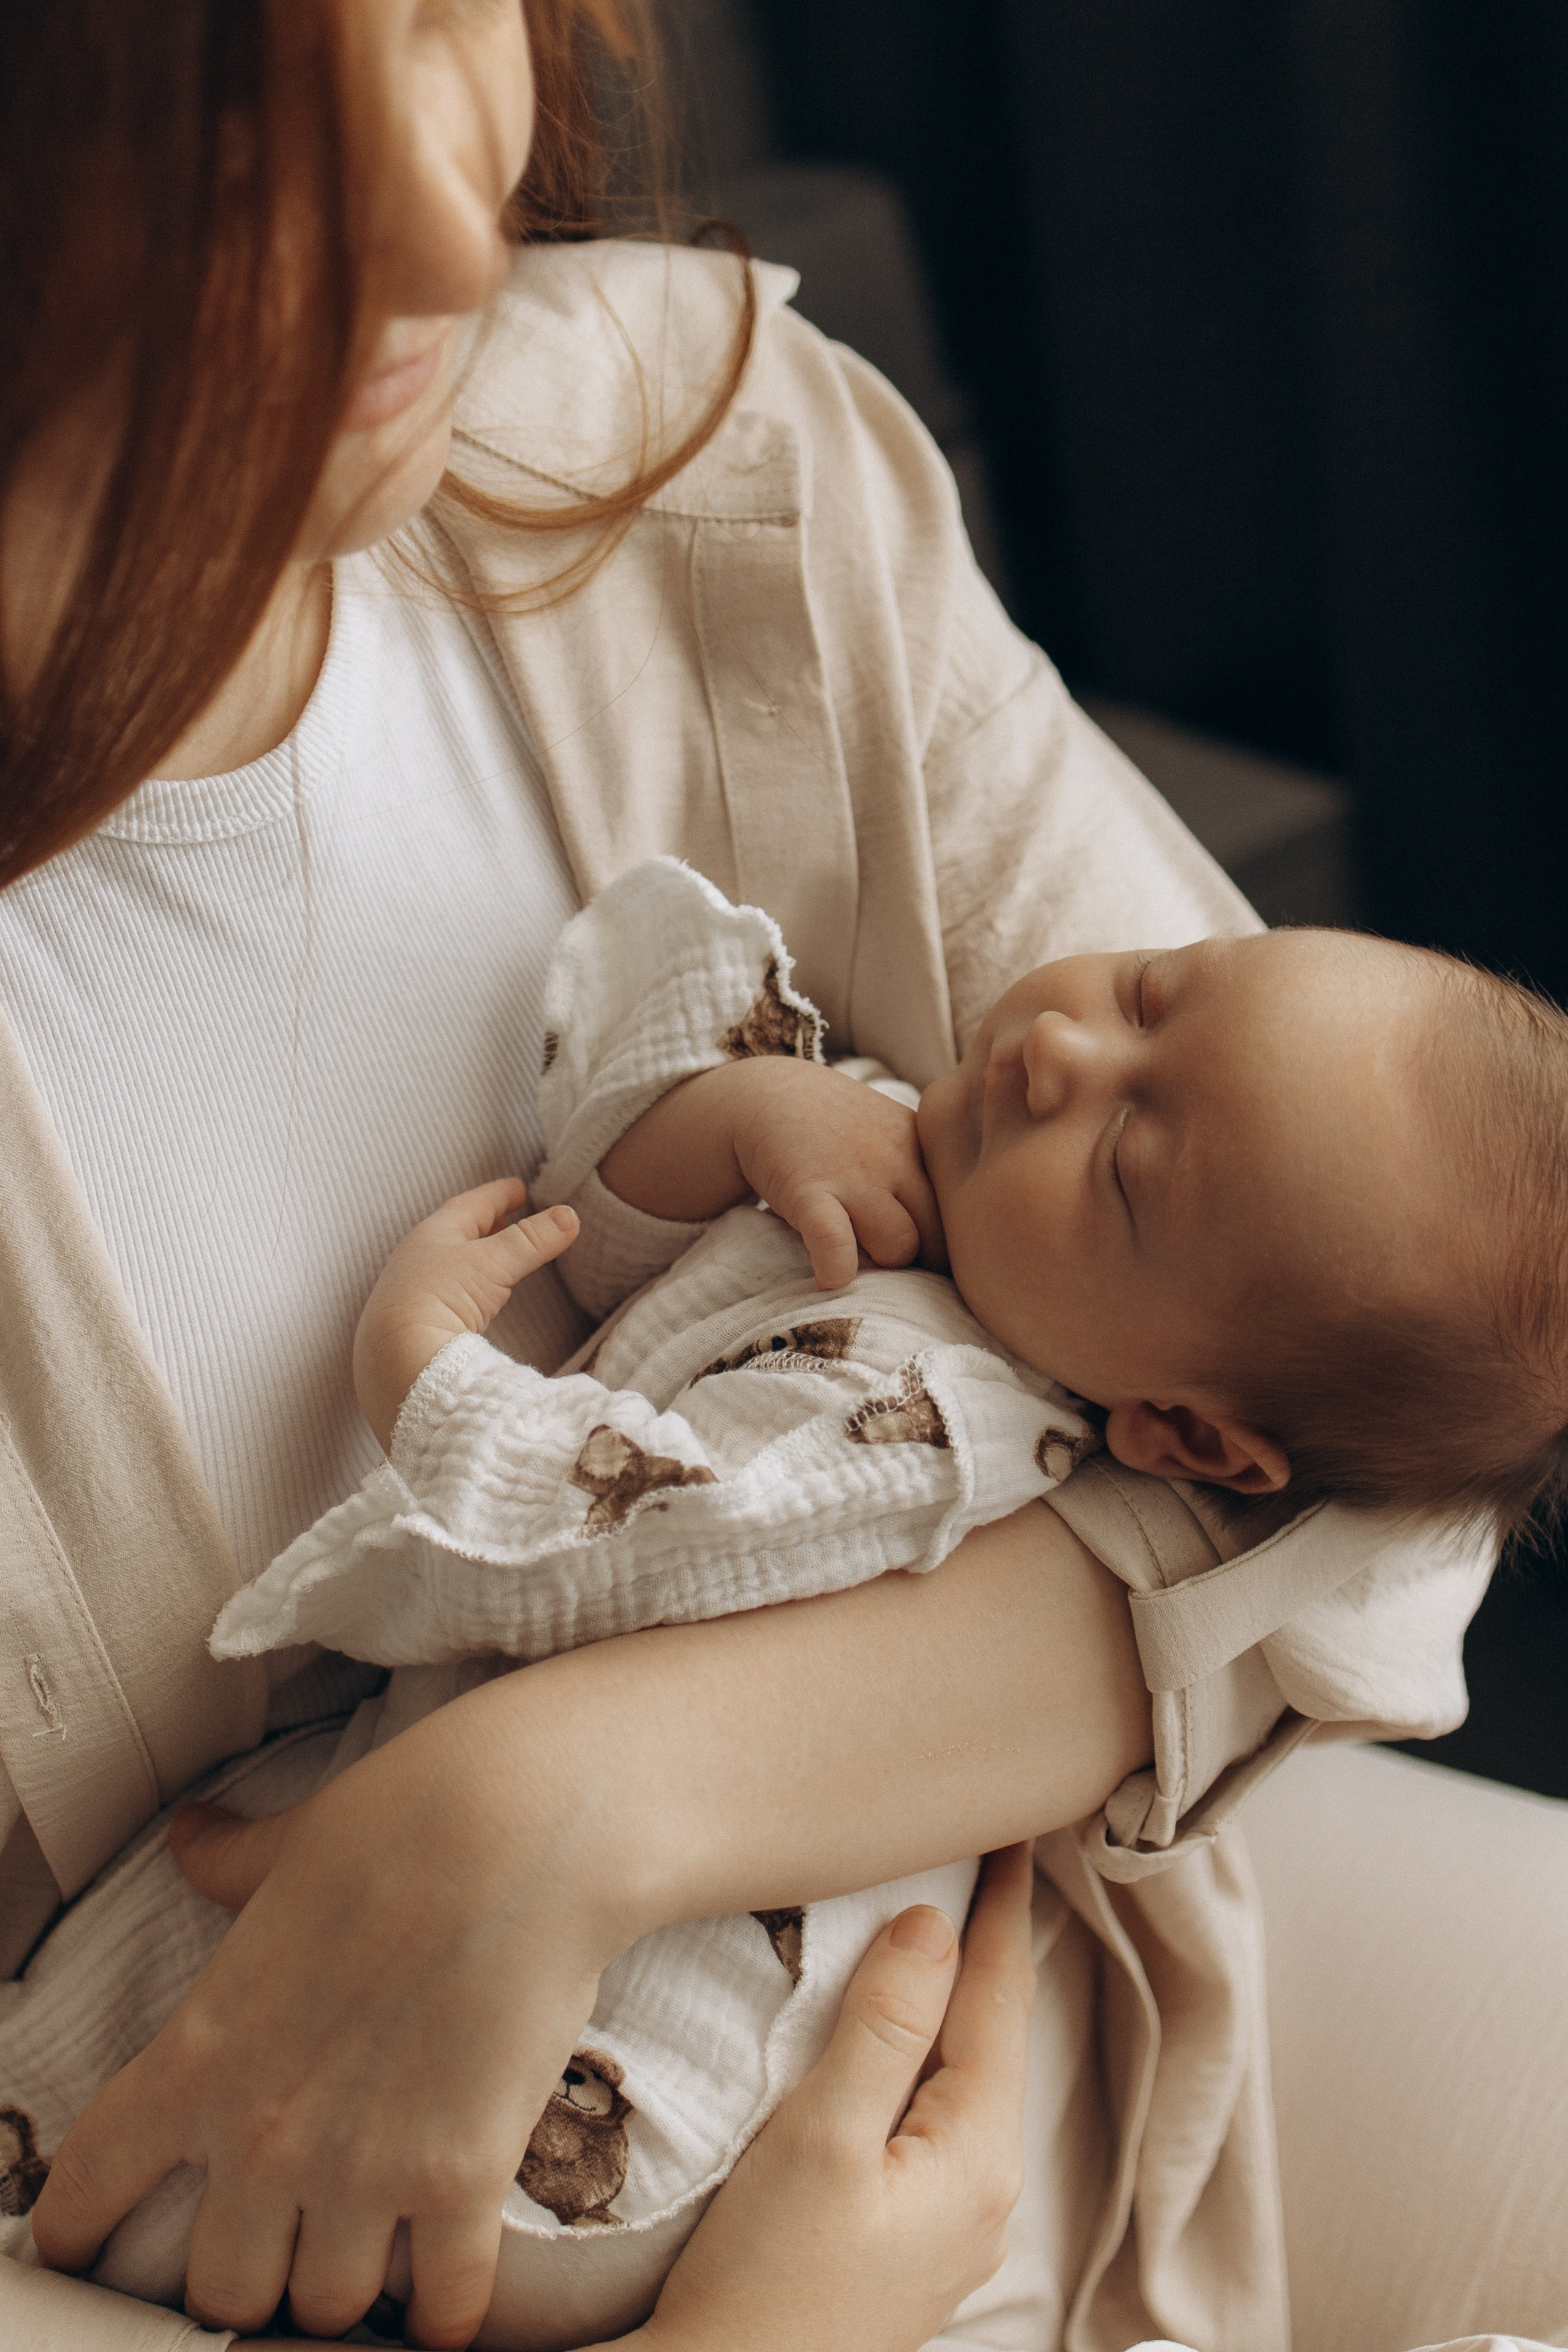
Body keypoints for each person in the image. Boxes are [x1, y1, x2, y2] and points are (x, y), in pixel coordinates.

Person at [0, 7, 1560, 2350]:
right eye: (231, 150)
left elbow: (1400, 1441)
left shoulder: (691, 436)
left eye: (439, 16)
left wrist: (574, 1799)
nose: (457, 223)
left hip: (1082, 2048)